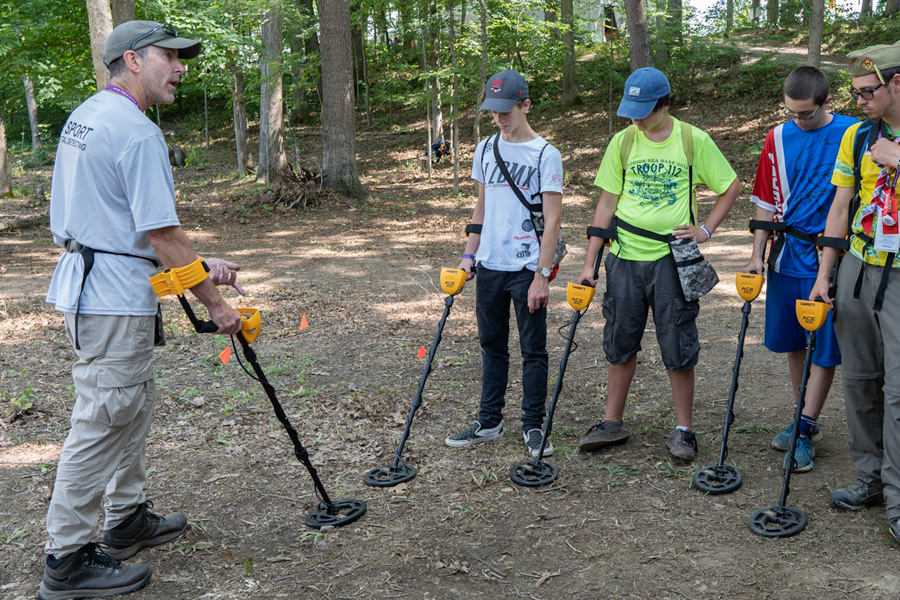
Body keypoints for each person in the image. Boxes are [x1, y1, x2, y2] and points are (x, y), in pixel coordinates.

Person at [40, 21, 245, 600]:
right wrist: (218, 304)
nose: (180, 67)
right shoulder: (136, 132)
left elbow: (120, 223)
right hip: (110, 298)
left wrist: (200, 264)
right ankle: (67, 560)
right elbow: (161, 234)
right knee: (104, 416)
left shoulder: (87, 115)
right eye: (170, 57)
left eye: (183, 57)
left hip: (102, 288)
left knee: (130, 405)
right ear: (132, 59)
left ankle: (126, 518)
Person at [576, 67, 740, 461]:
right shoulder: (623, 142)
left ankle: (684, 429)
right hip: (624, 258)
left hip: (671, 260)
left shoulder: (691, 140)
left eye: (644, 110)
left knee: (677, 342)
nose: (635, 118)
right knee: (620, 338)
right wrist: (589, 262)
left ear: (666, 103)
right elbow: (606, 204)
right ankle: (612, 422)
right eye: (630, 110)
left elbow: (730, 185)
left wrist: (706, 230)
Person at [444, 69, 563, 460]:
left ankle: (532, 425)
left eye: (506, 111)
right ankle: (489, 420)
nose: (500, 119)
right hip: (490, 264)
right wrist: (468, 256)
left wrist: (542, 277)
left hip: (528, 266)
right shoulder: (484, 148)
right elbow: (481, 205)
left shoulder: (547, 154)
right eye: (493, 112)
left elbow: (553, 220)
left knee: (534, 349)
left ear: (525, 104)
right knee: (491, 345)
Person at [744, 66, 857, 473]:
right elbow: (765, 200)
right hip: (787, 253)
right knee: (794, 340)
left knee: (823, 344)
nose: (798, 120)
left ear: (826, 103)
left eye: (805, 113)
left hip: (833, 257)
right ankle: (803, 416)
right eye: (791, 112)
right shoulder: (777, 136)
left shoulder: (854, 133)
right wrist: (757, 255)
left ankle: (805, 428)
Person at [811, 41, 900, 542]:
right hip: (859, 268)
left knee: (899, 393)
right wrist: (826, 273)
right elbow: (840, 207)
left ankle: (899, 496)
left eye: (869, 92)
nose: (860, 101)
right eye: (856, 93)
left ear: (897, 84)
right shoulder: (858, 135)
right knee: (860, 377)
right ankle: (869, 476)